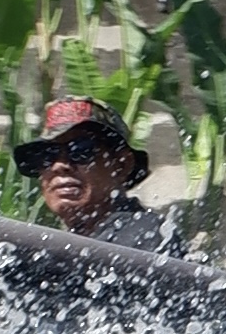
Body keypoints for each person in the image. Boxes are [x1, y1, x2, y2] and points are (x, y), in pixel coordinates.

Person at [12, 97, 180, 253]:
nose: (59, 165)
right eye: (47, 155)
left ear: (121, 165)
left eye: (80, 150)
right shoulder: (74, 242)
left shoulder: (144, 235)